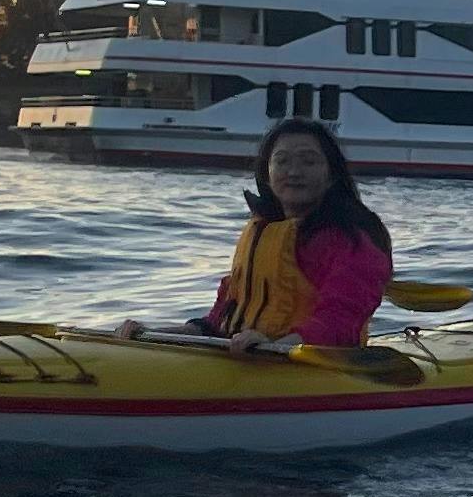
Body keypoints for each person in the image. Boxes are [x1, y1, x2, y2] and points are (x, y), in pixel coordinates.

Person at [127, 115, 393, 351]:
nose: (294, 172)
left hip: (315, 364)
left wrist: (276, 347)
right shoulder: (263, 233)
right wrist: (159, 335)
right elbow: (222, 317)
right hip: (250, 353)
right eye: (282, 161)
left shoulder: (355, 240)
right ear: (266, 175)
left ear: (332, 175)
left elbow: (340, 320)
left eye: (309, 161)